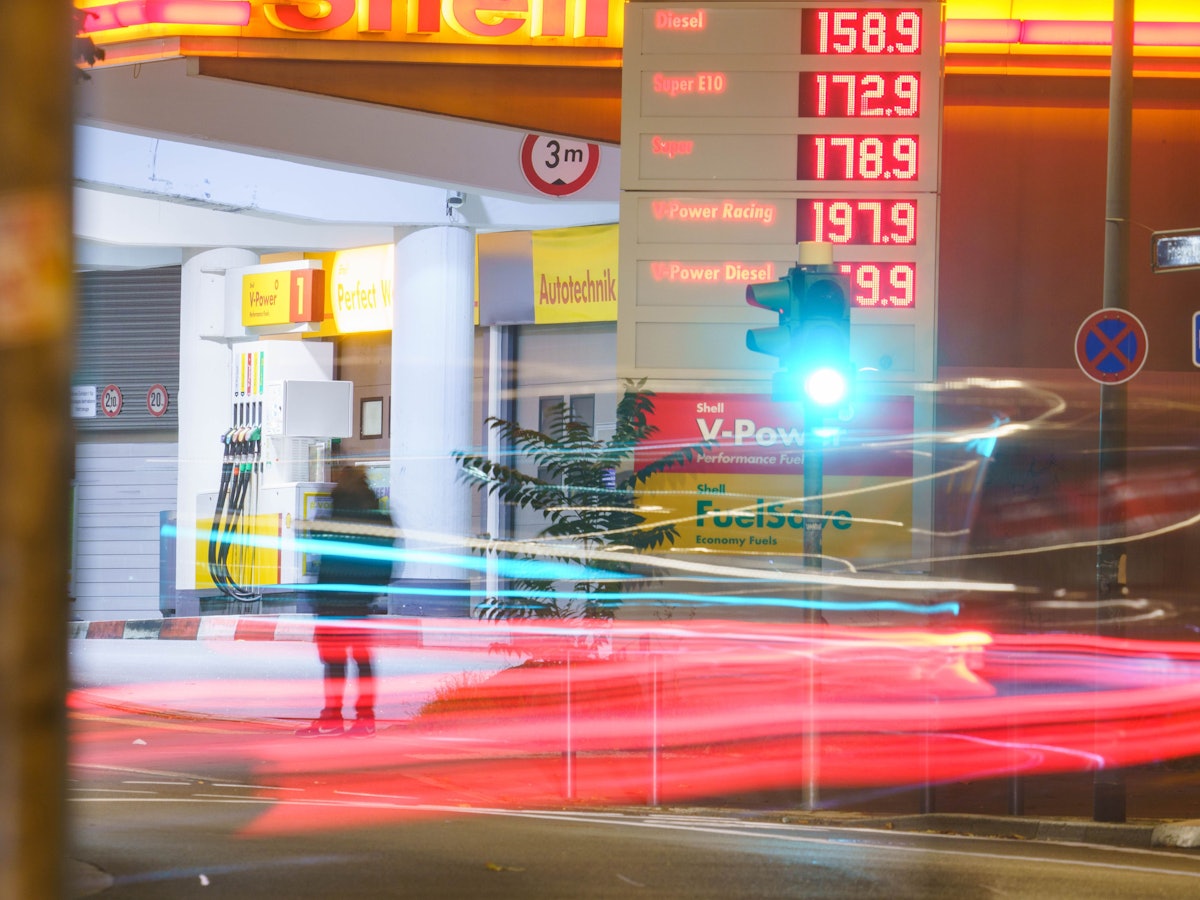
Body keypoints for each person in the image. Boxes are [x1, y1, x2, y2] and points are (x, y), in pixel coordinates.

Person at [296, 467, 397, 738]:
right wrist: (373, 588)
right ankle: (365, 719)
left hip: (331, 598)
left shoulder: (337, 510)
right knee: (362, 660)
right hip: (361, 600)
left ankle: (332, 717)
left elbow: (319, 541)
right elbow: (388, 559)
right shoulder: (380, 515)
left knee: (334, 661)